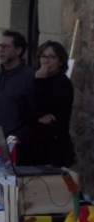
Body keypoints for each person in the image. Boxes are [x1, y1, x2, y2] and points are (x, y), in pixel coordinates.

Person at [0, 30, 34, 165]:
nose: (1, 50)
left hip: (15, 150)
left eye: (5, 47)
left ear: (18, 51)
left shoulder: (29, 78)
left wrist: (18, 137)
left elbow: (34, 114)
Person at [30, 40, 75, 168]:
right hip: (35, 146)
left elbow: (39, 108)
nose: (46, 61)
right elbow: (26, 109)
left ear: (60, 61)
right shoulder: (34, 79)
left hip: (54, 148)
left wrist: (39, 81)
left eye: (52, 57)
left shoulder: (62, 83)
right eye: (43, 56)